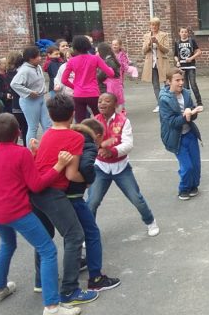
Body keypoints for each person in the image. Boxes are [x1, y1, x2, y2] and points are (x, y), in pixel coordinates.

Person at [0, 113, 81, 315]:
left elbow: (10, 174)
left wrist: (34, 155)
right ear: (19, 133)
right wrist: (58, 166)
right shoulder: (21, 153)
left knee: (7, 244)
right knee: (48, 250)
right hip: (16, 211)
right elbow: (36, 185)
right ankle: (52, 306)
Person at [30, 94, 98, 306]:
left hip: (35, 192)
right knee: (75, 236)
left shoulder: (47, 134)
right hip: (52, 192)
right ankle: (69, 291)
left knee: (45, 235)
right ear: (72, 114)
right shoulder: (75, 137)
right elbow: (71, 174)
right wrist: (88, 181)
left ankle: (41, 281)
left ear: (50, 115)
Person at [62, 119, 122, 292]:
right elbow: (87, 165)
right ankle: (95, 278)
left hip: (58, 195)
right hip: (74, 196)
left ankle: (75, 263)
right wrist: (88, 180)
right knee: (92, 234)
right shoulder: (88, 144)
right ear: (96, 136)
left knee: (70, 234)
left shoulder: (69, 136)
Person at [88, 93, 159, 236]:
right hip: (100, 167)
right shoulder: (93, 122)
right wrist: (99, 147)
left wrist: (112, 151)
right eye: (100, 101)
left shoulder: (123, 121)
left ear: (115, 105)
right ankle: (88, 233)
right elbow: (88, 143)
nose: (102, 104)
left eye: (107, 101)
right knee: (91, 202)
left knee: (136, 198)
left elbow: (128, 144)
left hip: (121, 167)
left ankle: (150, 221)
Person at [159, 68, 204, 200]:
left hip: (190, 133)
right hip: (176, 137)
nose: (181, 83)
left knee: (195, 164)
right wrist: (187, 115)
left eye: (182, 80)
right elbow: (172, 122)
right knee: (187, 166)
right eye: (177, 80)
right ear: (168, 82)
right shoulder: (164, 99)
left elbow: (192, 114)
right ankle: (183, 189)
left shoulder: (186, 94)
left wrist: (193, 112)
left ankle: (193, 185)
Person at [61, 36, 115, 123]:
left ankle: (83, 132)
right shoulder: (95, 58)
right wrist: (111, 69)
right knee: (100, 118)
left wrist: (75, 87)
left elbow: (64, 80)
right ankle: (101, 131)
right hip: (93, 93)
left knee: (80, 121)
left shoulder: (72, 61)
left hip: (78, 94)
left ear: (75, 47)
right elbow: (111, 74)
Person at [10, 46, 52, 148]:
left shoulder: (37, 67)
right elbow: (14, 84)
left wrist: (43, 90)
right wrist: (29, 92)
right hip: (30, 101)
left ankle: (49, 146)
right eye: (37, 56)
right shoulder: (24, 70)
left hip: (40, 99)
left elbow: (40, 80)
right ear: (30, 59)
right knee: (33, 127)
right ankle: (30, 150)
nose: (40, 58)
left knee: (47, 125)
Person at [142, 17, 172, 113]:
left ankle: (170, 102)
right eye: (152, 25)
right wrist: (149, 43)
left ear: (158, 26)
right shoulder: (146, 36)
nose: (153, 26)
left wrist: (158, 43)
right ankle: (160, 104)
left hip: (162, 62)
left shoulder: (164, 35)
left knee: (167, 83)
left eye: (155, 25)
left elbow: (166, 50)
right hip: (151, 64)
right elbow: (144, 51)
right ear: (150, 26)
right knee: (155, 85)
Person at [174, 27, 203, 106]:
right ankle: (188, 103)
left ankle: (199, 102)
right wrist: (177, 62)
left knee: (193, 84)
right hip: (182, 67)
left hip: (191, 66)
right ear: (179, 33)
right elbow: (175, 55)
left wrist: (191, 58)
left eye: (185, 32)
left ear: (188, 33)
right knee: (185, 86)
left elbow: (199, 52)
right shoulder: (177, 42)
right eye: (182, 32)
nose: (184, 33)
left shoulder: (191, 41)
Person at [6, 51, 29, 146]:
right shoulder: (21, 72)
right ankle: (26, 146)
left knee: (16, 128)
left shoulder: (8, 73)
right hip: (23, 102)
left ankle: (11, 146)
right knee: (25, 127)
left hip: (15, 104)